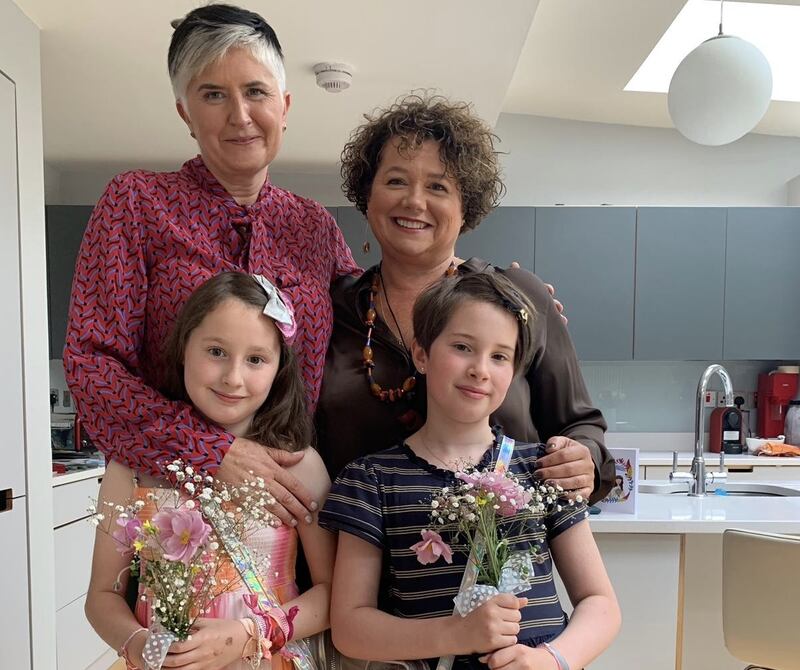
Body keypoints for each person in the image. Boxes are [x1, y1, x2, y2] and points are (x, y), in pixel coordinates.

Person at [63, 3, 358, 527]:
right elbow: (91, 365)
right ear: (185, 112)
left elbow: (375, 319)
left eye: (256, 92)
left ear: (285, 105)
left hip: (293, 505)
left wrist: (492, 292)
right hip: (169, 505)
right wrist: (209, 451)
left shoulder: (314, 227)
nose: (240, 115)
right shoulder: (138, 204)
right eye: (213, 94)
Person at [316, 94, 613, 503]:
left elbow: (581, 424)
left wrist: (584, 459)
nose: (414, 201)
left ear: (465, 204)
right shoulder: (331, 308)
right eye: (396, 180)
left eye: (437, 186)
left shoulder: (519, 297)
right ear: (368, 194)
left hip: (500, 556)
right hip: (351, 556)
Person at [320, 272, 620, 670]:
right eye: (463, 347)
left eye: (500, 356)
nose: (480, 369)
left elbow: (600, 603)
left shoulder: (542, 468)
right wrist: (455, 633)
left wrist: (552, 660)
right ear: (422, 354)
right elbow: (350, 627)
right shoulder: (371, 479)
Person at [86, 272, 334, 670]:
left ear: (279, 369)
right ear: (184, 347)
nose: (233, 378)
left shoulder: (298, 466)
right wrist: (139, 645)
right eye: (216, 351)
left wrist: (252, 633)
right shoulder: (133, 466)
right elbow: (101, 596)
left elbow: (330, 595)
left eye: (255, 359)